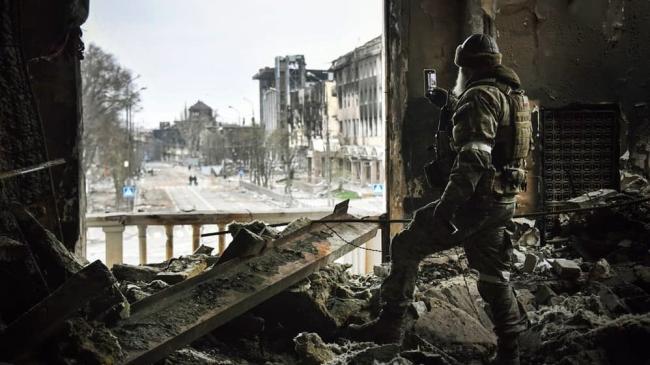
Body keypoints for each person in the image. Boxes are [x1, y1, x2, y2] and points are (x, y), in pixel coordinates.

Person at [348, 34, 530, 365]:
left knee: (405, 247)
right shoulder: (512, 95)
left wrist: (447, 208)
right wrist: (450, 104)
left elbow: (474, 158)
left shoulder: (478, 97)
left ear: (468, 67)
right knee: (493, 275)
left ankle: (390, 327)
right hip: (502, 201)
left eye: (460, 68)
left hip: (472, 203)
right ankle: (510, 352)